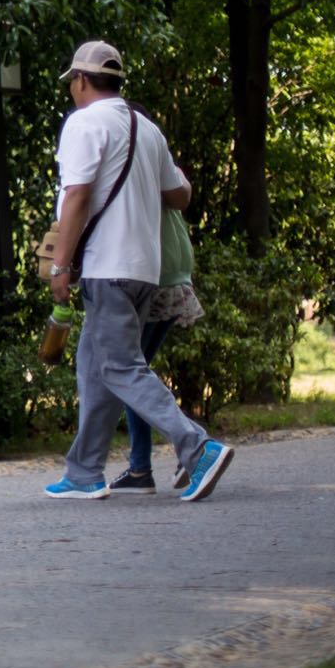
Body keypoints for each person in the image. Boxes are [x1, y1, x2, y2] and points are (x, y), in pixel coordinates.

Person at [42, 40, 233, 503]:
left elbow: (78, 197)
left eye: (72, 82)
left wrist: (60, 264)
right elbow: (180, 195)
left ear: (81, 80)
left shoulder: (83, 123)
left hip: (106, 267)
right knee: (94, 364)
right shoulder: (147, 129)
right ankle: (84, 471)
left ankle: (197, 447)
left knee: (121, 366)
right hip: (145, 269)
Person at [109, 202, 206, 493]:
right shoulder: (156, 157)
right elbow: (184, 192)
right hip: (173, 267)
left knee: (129, 373)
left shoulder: (136, 156)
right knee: (135, 371)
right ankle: (142, 466)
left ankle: (198, 446)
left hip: (152, 271)